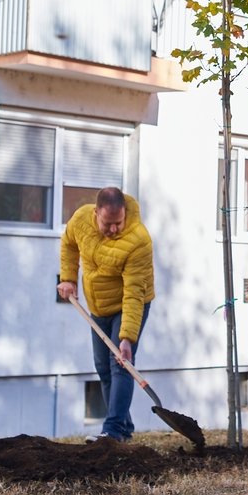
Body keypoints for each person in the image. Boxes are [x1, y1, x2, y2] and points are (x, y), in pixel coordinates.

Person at [57, 187, 154, 443]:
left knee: (120, 364)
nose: (113, 229)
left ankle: (112, 432)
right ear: (95, 212)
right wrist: (68, 279)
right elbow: (68, 244)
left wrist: (126, 338)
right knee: (103, 367)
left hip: (129, 304)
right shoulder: (80, 220)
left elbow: (134, 292)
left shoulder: (138, 240)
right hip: (98, 306)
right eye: (108, 223)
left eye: (118, 223)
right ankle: (123, 427)